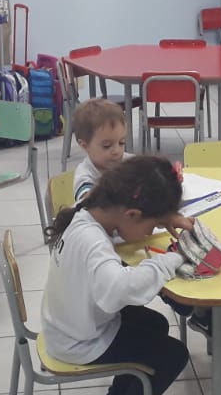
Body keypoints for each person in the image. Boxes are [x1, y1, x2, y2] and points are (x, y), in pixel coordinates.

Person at [42, 156, 191, 395]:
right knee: (174, 355)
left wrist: (166, 216)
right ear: (131, 214)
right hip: (78, 340)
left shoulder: (88, 213)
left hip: (69, 323)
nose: (152, 231)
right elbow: (118, 291)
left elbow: (126, 235)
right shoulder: (94, 242)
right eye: (152, 225)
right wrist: (171, 260)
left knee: (155, 323)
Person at [70, 98, 210, 335]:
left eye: (121, 142)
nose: (116, 151)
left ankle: (197, 309)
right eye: (107, 145)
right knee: (153, 274)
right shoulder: (85, 176)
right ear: (84, 145)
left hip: (132, 238)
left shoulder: (127, 162)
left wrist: (166, 214)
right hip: (112, 251)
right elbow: (94, 205)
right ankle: (187, 304)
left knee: (177, 259)